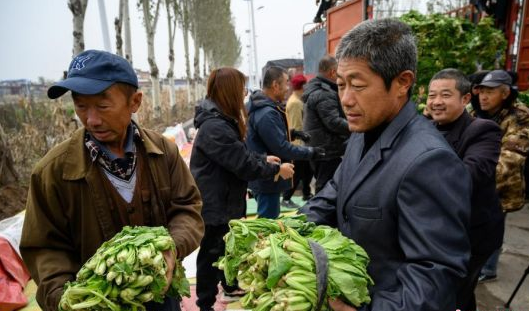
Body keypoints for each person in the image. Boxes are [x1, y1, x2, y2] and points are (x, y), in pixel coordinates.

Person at [299, 19, 471, 311]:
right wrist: (283, 230)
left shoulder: (429, 160)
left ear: (402, 82)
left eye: (358, 85)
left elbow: (436, 276)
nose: (346, 100)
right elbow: (334, 194)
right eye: (341, 85)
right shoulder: (363, 133)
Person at [19, 50, 204, 311]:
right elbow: (45, 248)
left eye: (103, 106)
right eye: (81, 106)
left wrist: (170, 249)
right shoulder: (51, 173)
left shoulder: (164, 152)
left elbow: (187, 208)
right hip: (97, 303)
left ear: (135, 102)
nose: (91, 119)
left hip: (161, 296)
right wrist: (67, 299)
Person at [190, 67, 294, 311]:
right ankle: (205, 304)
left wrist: (262, 159)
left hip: (226, 197)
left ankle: (228, 285)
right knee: (211, 253)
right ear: (229, 91)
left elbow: (240, 154)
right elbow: (241, 164)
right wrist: (276, 171)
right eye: (241, 89)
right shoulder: (215, 127)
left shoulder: (222, 120)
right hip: (215, 201)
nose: (244, 94)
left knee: (226, 247)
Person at [427, 68, 504, 310]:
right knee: (457, 293)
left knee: (454, 290)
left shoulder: (482, 130)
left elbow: (469, 175)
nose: (437, 102)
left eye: (446, 95)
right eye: (432, 95)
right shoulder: (424, 127)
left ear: (465, 99)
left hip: (472, 233)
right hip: (438, 230)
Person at [471, 69, 529, 282]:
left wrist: (470, 177)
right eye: (481, 91)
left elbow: (511, 158)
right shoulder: (478, 112)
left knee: (493, 224)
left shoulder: (520, 116)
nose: (483, 97)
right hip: (481, 180)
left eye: (490, 92)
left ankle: (489, 269)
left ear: (505, 94)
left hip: (502, 183)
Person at [246, 66, 325, 219]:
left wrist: (294, 134)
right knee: (269, 223)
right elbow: (281, 148)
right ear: (275, 85)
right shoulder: (266, 113)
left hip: (265, 176)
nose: (288, 88)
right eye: (286, 83)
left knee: (268, 219)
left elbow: (271, 136)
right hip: (268, 179)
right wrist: (311, 152)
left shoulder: (264, 107)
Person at [302, 55, 350, 193]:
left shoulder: (316, 89)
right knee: (326, 187)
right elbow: (333, 122)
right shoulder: (324, 93)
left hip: (320, 147)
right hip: (327, 150)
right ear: (333, 72)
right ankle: (321, 213)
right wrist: (356, 127)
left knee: (325, 184)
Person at [282, 74, 313, 208]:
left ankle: (306, 193)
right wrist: (301, 146)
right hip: (298, 144)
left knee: (307, 172)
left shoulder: (298, 100)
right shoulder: (295, 102)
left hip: (302, 144)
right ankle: (286, 198)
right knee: (298, 173)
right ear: (302, 86)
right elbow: (296, 125)